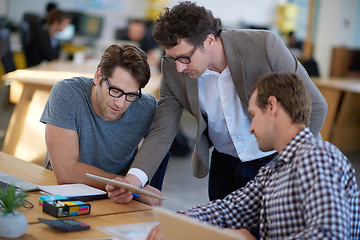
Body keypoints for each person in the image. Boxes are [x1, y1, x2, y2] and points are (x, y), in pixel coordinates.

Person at [107, 1, 327, 204]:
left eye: (185, 58)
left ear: (209, 41)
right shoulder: (173, 68)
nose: (180, 68)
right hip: (223, 164)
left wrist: (290, 163)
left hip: (274, 160)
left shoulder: (264, 47)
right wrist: (133, 181)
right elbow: (163, 130)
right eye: (172, 58)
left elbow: (316, 106)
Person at [147, 72, 360, 240]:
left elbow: (330, 235)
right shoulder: (275, 170)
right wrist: (182, 220)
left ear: (273, 106)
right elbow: (234, 208)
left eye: (253, 116)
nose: (251, 128)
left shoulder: (316, 158)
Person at [40, 44, 164, 206]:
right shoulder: (66, 93)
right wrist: (131, 187)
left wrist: (134, 187)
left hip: (117, 200)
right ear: (98, 76)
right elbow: (66, 172)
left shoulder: (147, 107)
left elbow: (160, 143)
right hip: (63, 196)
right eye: (115, 90)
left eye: (131, 95)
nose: (120, 103)